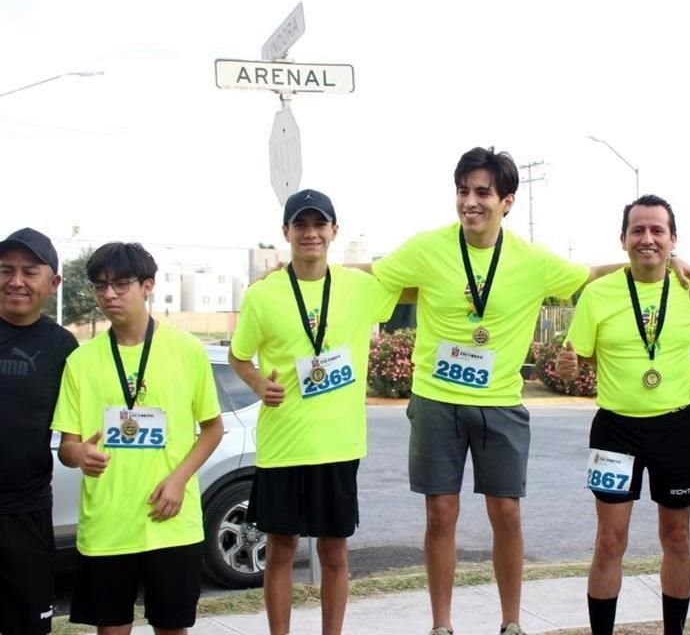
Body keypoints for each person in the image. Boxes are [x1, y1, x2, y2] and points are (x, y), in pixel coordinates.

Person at [371, 148, 690, 635]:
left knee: (506, 511)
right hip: (436, 397)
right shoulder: (426, 248)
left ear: (506, 201)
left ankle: (511, 623)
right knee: (440, 511)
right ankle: (441, 625)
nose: (471, 201)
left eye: (483, 192)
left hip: (502, 401)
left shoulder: (531, 259)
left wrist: (669, 260)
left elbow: (593, 275)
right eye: (463, 191)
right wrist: (300, 265)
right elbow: (373, 276)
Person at [229, 189, 401, 635]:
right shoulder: (263, 296)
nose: (310, 233)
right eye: (300, 225)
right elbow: (239, 356)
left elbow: (415, 281)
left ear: (334, 231)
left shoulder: (361, 288)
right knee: (281, 551)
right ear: (285, 232)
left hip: (338, 445)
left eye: (318, 225)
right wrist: (256, 383)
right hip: (283, 445)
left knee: (335, 554)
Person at [556, 195, 690, 635]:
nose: (647, 239)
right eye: (638, 230)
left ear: (673, 240)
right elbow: (580, 356)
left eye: (657, 231)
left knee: (677, 538)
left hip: (675, 428)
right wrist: (569, 366)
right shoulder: (597, 294)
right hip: (615, 430)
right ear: (623, 239)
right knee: (610, 541)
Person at [53, 242, 224, 635]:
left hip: (171, 523)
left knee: (172, 628)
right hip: (107, 527)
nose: (109, 295)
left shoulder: (187, 351)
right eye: (100, 286)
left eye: (121, 284)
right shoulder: (81, 361)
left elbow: (212, 428)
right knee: (111, 630)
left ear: (148, 286)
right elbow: (67, 447)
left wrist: (178, 480)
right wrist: (81, 453)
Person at [0, 228, 78, 635]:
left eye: (29, 271)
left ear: (53, 283)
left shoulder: (65, 348)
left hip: (27, 512)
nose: (16, 281)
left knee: (27, 627)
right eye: (5, 270)